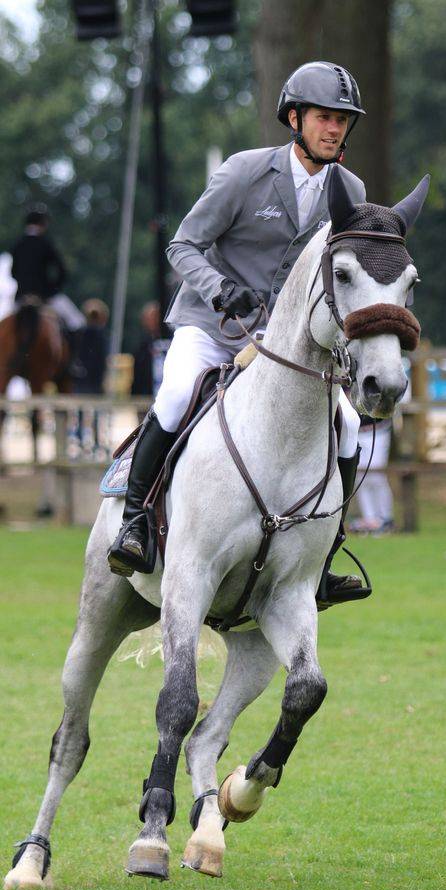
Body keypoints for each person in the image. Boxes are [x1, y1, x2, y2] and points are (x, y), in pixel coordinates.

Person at [108, 61, 368, 606]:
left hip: (281, 345)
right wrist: (220, 289)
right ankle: (134, 523)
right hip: (212, 326)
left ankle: (324, 555)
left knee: (345, 423)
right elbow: (182, 245)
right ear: (295, 118)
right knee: (178, 395)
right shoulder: (244, 173)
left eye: (343, 120)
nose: (335, 129)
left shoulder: (350, 189)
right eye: (324, 117)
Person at [10, 206, 85, 333]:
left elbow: (13, 273)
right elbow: (62, 271)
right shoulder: (46, 244)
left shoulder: (17, 244)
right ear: (43, 223)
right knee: (77, 322)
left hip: (21, 297)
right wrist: (51, 290)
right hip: (44, 296)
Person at [70, 298, 109, 454]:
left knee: (81, 413)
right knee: (96, 415)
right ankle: (96, 442)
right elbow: (102, 360)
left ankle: (81, 441)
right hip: (95, 380)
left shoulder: (81, 333)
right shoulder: (101, 335)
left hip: (83, 379)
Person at [131, 301, 162, 398]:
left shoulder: (171, 341)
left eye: (155, 317)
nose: (153, 321)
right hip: (145, 394)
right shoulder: (142, 345)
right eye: (149, 318)